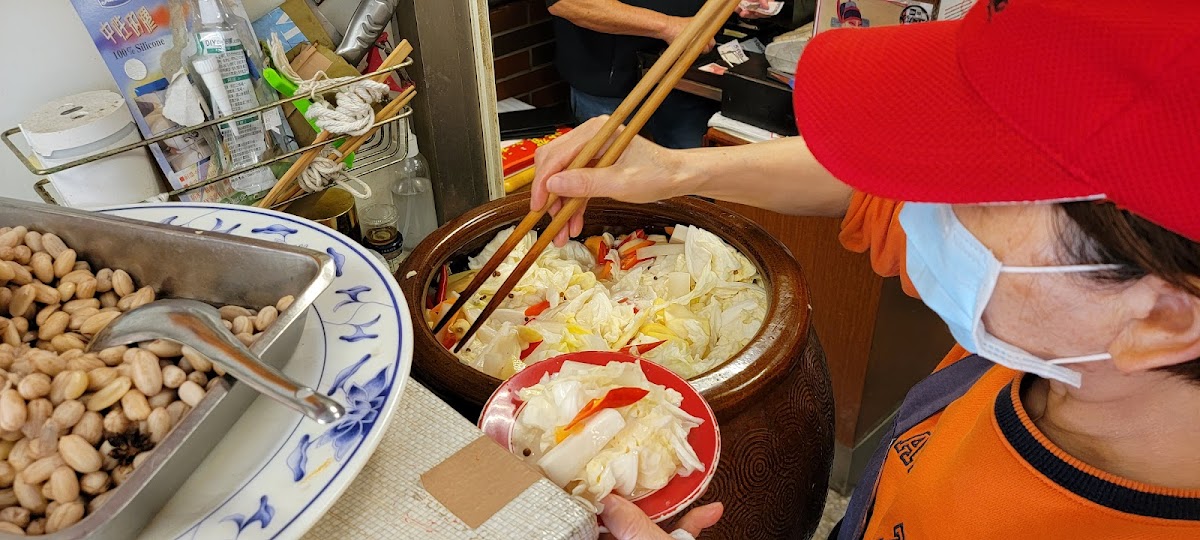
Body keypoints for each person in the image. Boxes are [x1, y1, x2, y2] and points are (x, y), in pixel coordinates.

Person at [531, 1, 1200, 538]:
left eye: (982, 184)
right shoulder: (1063, 339)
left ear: (1164, 319)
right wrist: (676, 170)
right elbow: (866, 188)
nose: (921, 199)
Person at [546, 0, 771, 149]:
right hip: (609, 84)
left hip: (689, 76)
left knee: (689, 185)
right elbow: (566, 3)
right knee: (609, 191)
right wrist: (668, 26)